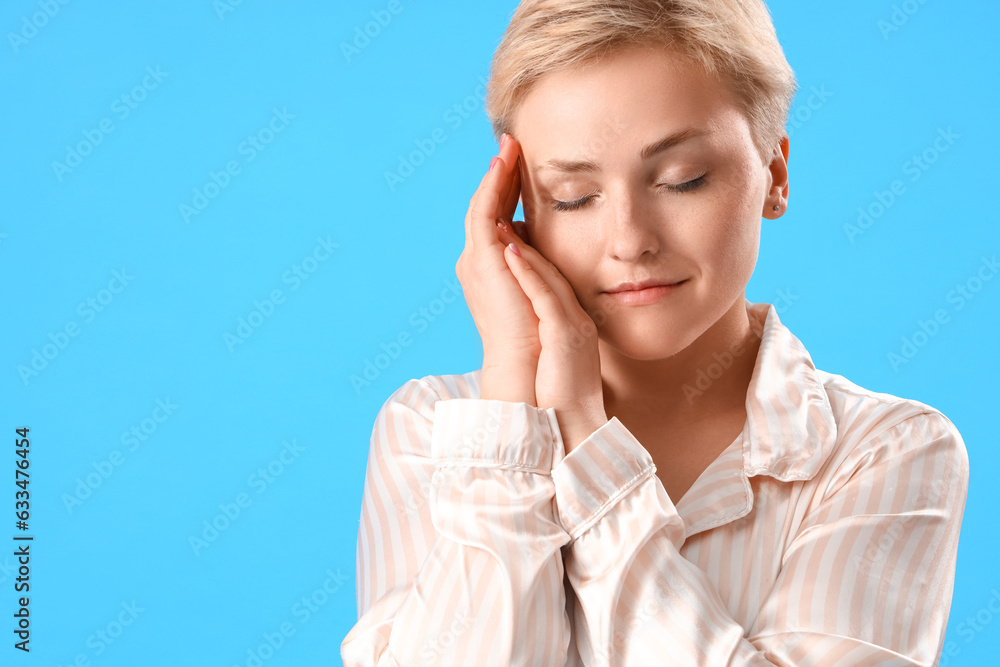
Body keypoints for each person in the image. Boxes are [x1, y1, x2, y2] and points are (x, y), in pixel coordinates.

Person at [341, 0, 970, 664]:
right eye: (574, 197)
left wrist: (582, 430)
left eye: (682, 180)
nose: (630, 241)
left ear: (774, 175)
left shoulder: (887, 451)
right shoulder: (429, 432)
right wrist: (512, 398)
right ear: (516, 213)